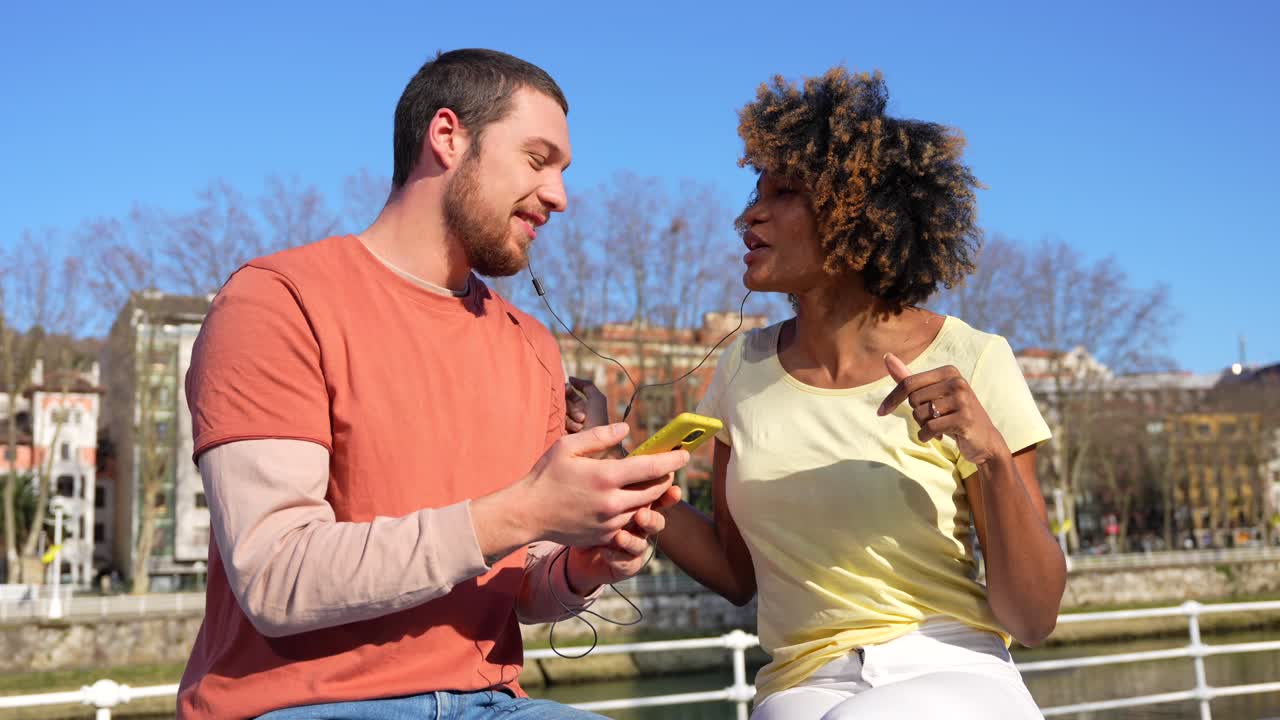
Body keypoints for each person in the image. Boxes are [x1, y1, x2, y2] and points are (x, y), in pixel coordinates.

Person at [177, 48, 688, 719]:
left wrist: (581, 569)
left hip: (493, 702)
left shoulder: (531, 345)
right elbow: (275, 577)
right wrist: (526, 509)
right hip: (301, 706)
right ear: (447, 137)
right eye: (538, 160)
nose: (562, 196)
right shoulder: (276, 302)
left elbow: (525, 589)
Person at [655, 68, 1067, 719]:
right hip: (800, 685)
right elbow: (737, 575)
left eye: (784, 192)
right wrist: (625, 483)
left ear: (862, 214)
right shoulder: (740, 368)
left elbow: (1035, 614)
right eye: (754, 192)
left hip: (951, 663)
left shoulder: (974, 359)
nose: (749, 215)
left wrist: (988, 453)